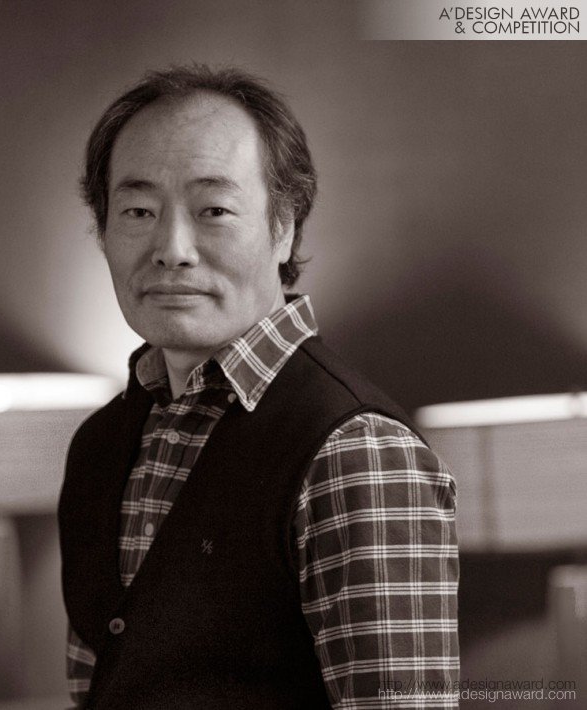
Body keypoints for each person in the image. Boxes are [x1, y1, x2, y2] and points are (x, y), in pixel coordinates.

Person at [58, 64, 459, 709]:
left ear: (284, 227)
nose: (172, 248)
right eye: (137, 210)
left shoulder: (355, 452)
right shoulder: (98, 445)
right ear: (102, 229)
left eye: (214, 210)